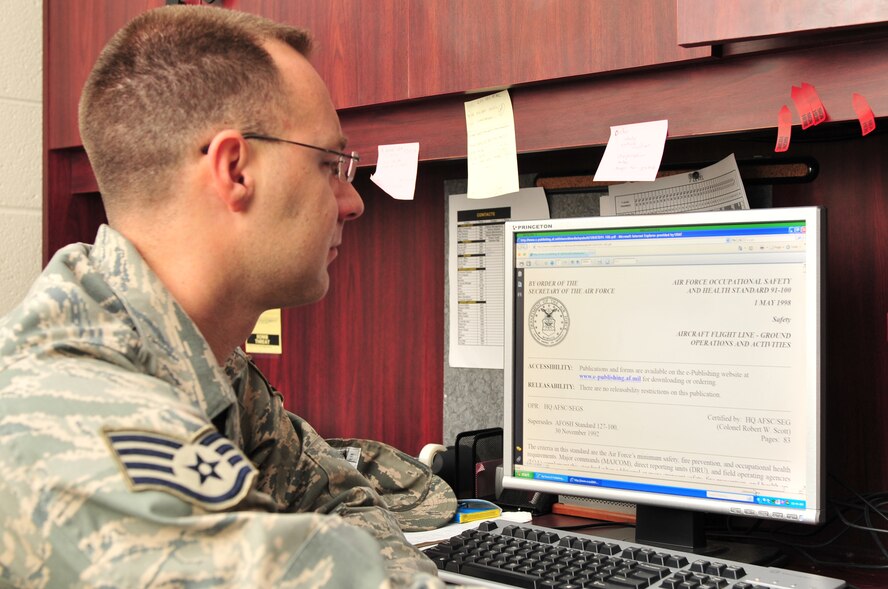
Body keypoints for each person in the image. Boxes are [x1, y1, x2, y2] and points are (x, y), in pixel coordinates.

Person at [0, 6, 455, 588]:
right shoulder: (80, 420)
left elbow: (341, 500)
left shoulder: (207, 362)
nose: (352, 202)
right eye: (330, 165)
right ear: (235, 170)